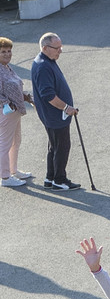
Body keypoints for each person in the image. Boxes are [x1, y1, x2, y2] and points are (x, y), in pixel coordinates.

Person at [30, 32, 79, 191]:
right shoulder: (43, 66)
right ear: (45, 47)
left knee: (54, 146)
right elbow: (48, 95)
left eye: (61, 47)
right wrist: (67, 107)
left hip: (52, 116)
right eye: (57, 48)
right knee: (62, 147)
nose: (60, 50)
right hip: (56, 116)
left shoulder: (46, 61)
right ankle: (59, 180)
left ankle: (50, 178)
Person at [0, 36, 35, 187]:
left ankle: (13, 170)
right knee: (5, 144)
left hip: (15, 111)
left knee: (16, 141)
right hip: (6, 112)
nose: (7, 54)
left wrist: (26, 96)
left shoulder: (6, 67)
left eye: (9, 51)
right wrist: (7, 103)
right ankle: (5, 177)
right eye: (3, 52)